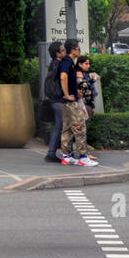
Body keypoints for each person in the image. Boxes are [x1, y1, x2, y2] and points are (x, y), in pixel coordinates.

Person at [58, 39, 98, 167]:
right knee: (80, 126)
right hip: (70, 101)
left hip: (67, 101)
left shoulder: (68, 62)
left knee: (68, 128)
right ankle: (83, 157)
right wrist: (66, 94)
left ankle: (66, 156)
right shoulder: (68, 62)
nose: (79, 51)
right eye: (78, 49)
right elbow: (63, 77)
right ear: (73, 50)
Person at [44, 41, 66, 163]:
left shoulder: (54, 64)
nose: (65, 52)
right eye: (62, 50)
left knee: (59, 126)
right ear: (57, 53)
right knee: (60, 126)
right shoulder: (58, 65)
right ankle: (51, 153)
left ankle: (53, 153)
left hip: (55, 99)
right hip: (58, 99)